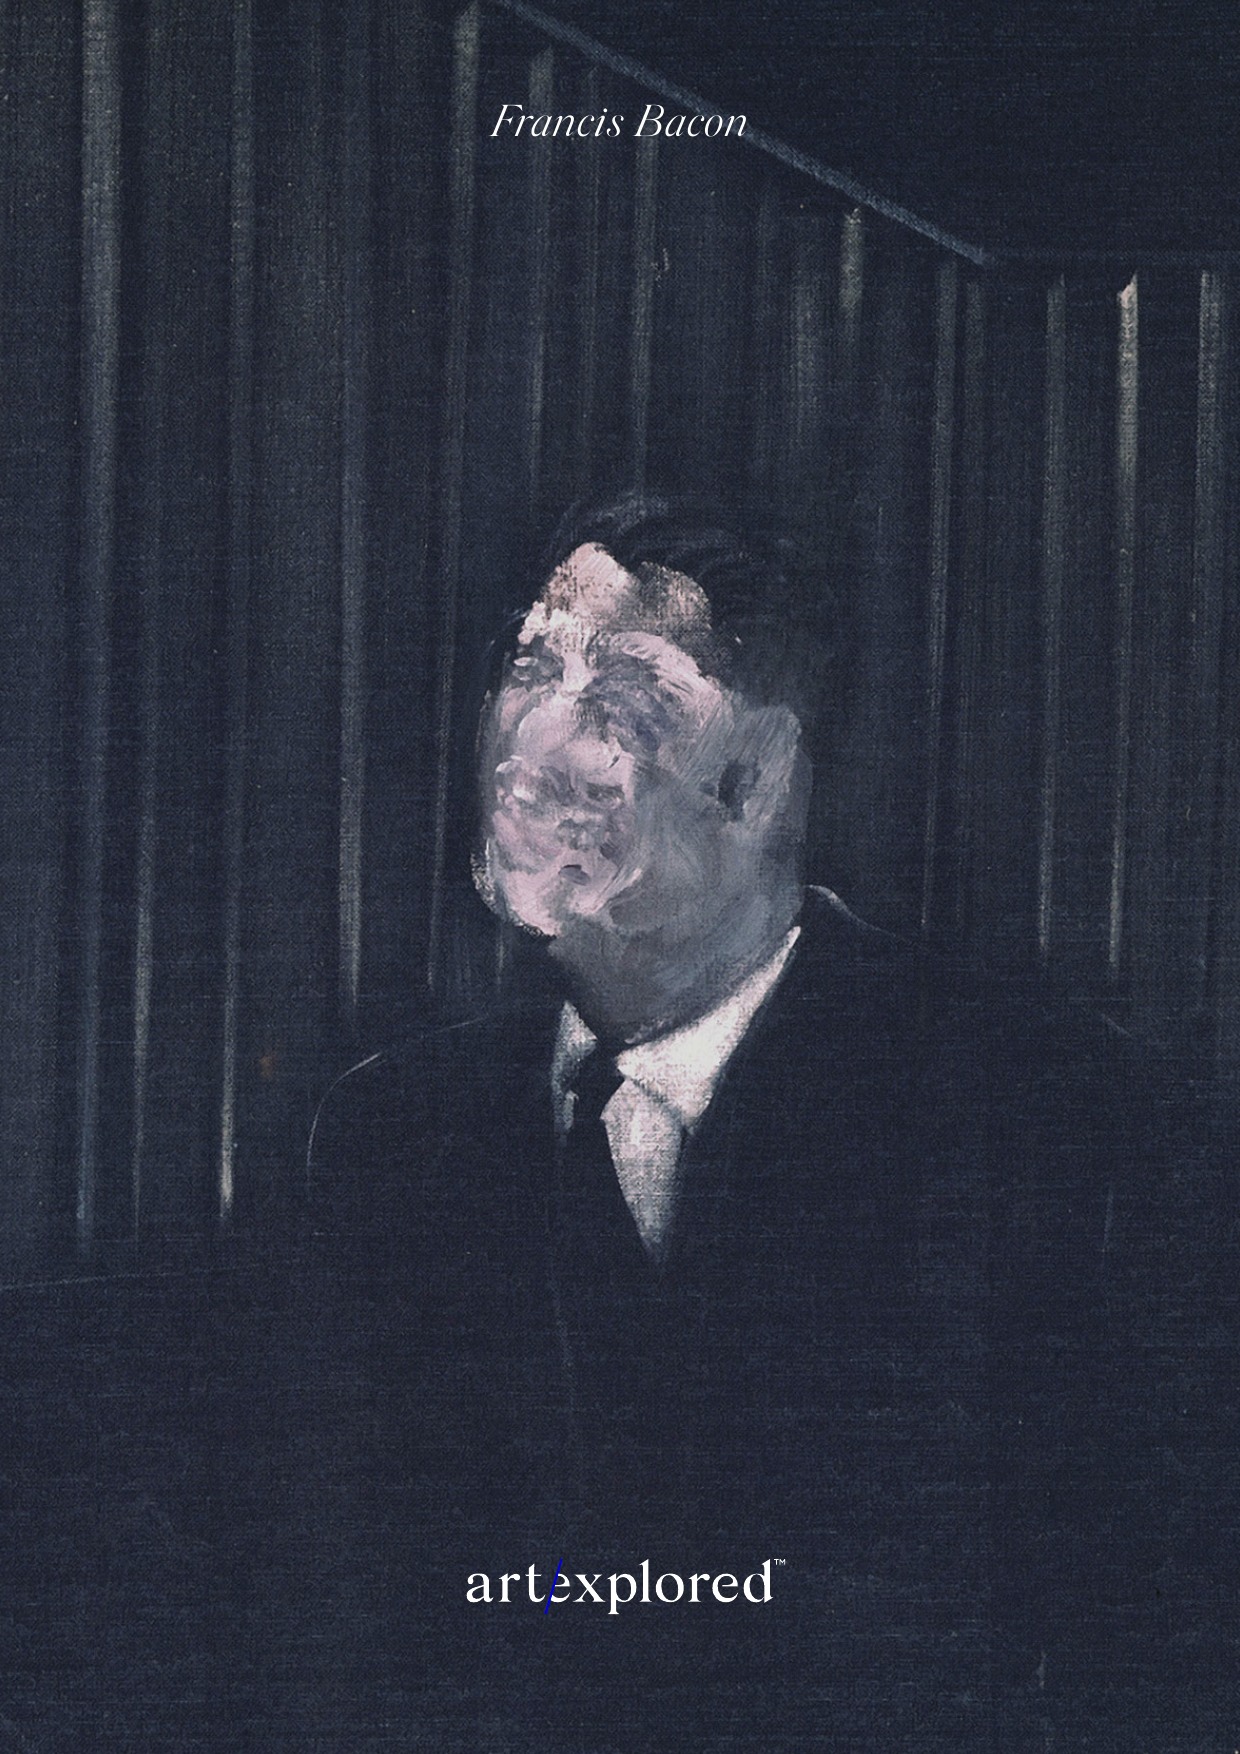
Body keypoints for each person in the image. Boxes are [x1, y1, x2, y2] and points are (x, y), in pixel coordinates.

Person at [302, 492, 1228, 1751]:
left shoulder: (1039, 1113)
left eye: (625, 697)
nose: (533, 737)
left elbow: (1132, 1630)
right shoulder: (392, 1132)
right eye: (529, 667)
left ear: (757, 776)